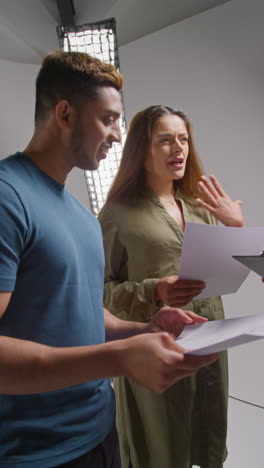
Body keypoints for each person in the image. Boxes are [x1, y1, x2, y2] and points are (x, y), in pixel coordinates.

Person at [0, 54, 216, 468]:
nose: (119, 135)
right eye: (109, 119)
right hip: (35, 454)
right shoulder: (8, 199)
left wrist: (146, 327)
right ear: (65, 114)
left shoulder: (82, 217)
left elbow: (84, 315)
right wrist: (119, 358)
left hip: (100, 435)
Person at [98, 105, 244, 468]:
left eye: (183, 140)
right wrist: (153, 290)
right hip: (154, 343)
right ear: (141, 150)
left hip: (211, 339)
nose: (178, 149)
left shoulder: (201, 206)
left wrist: (235, 229)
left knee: (209, 435)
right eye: (165, 141)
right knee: (164, 446)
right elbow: (95, 292)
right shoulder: (118, 212)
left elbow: (232, 270)